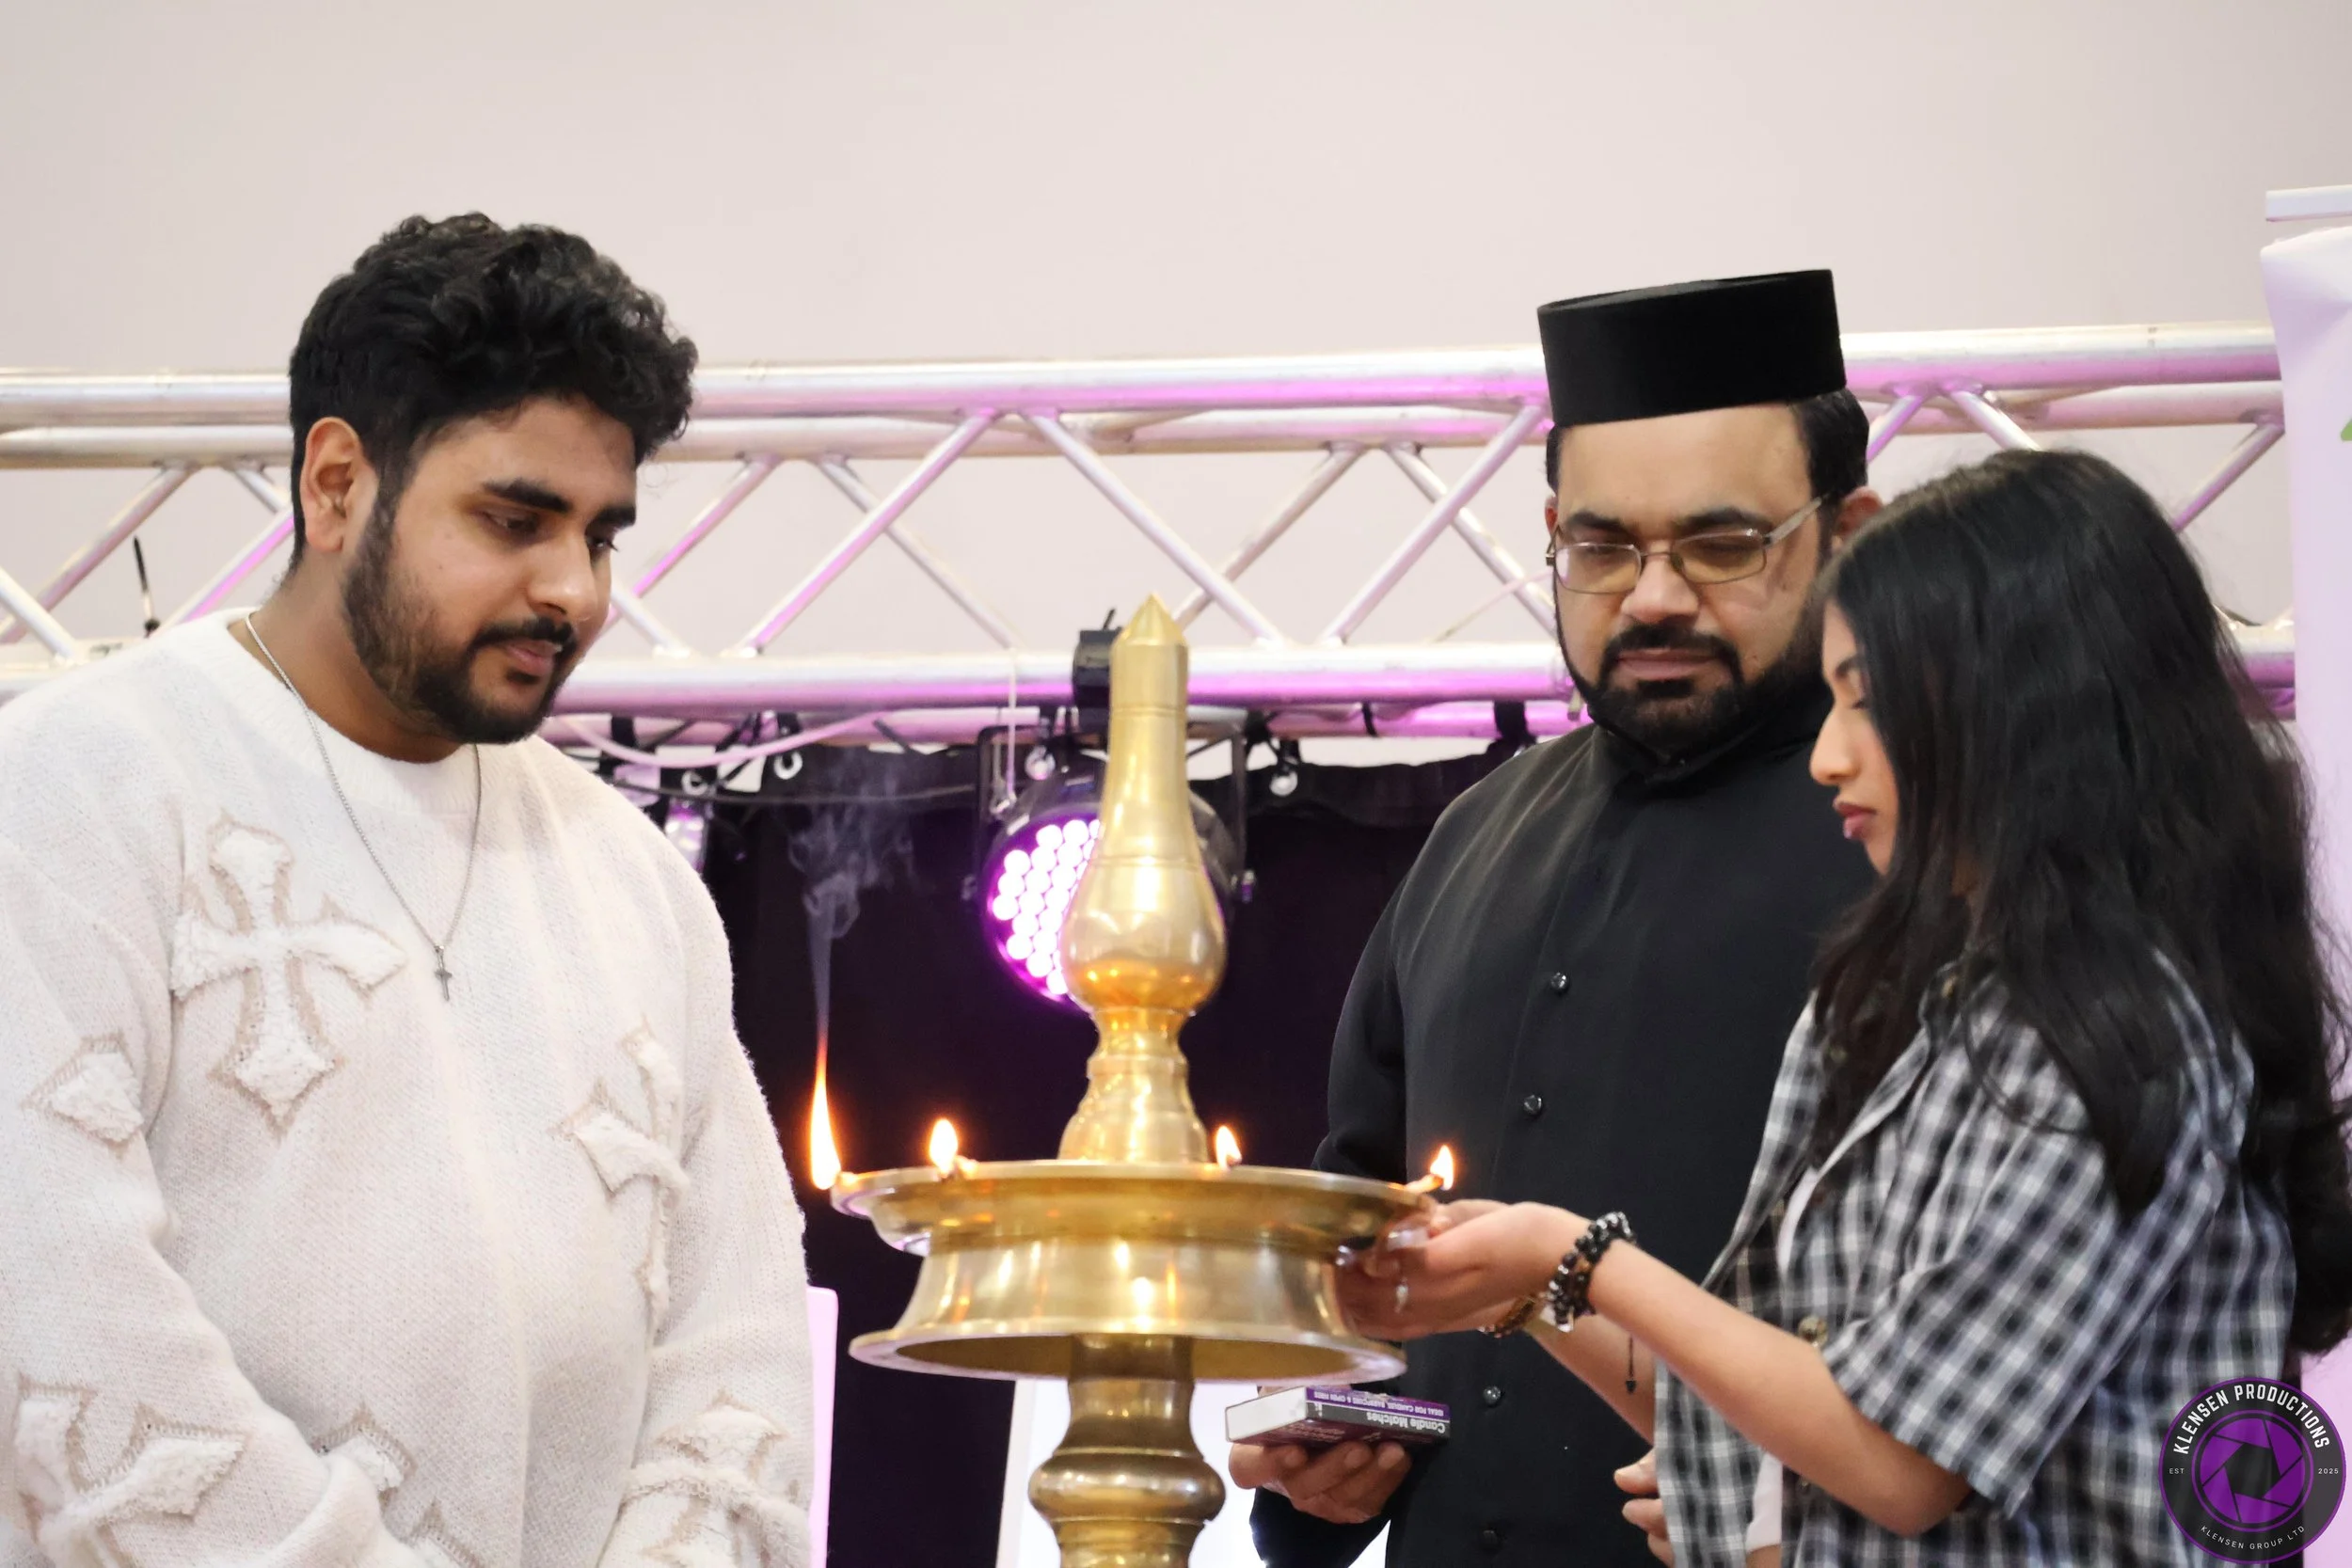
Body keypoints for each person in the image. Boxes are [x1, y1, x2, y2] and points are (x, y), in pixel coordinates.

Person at [1343, 450, 2352, 1565]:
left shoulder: (2130, 1035)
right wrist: (1532, 1288)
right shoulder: (1899, 1007)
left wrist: (1576, 1256)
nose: (1827, 757)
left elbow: (1896, 1460)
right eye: (1831, 700)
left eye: (1865, 702)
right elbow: (1783, 1409)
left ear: (2021, 703)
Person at [0, 216, 815, 1568]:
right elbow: (58, 1307)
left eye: (602, 534)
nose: (574, 588)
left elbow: (740, 1352)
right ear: (336, 484)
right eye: (513, 519)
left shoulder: (634, 882)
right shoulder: (73, 787)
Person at [1236, 272, 1880, 1566]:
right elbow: (1366, 1252)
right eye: (1601, 548)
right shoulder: (1473, 836)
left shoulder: (1918, 846)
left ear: (1848, 533)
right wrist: (1328, 1452)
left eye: (1720, 544)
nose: (1650, 597)